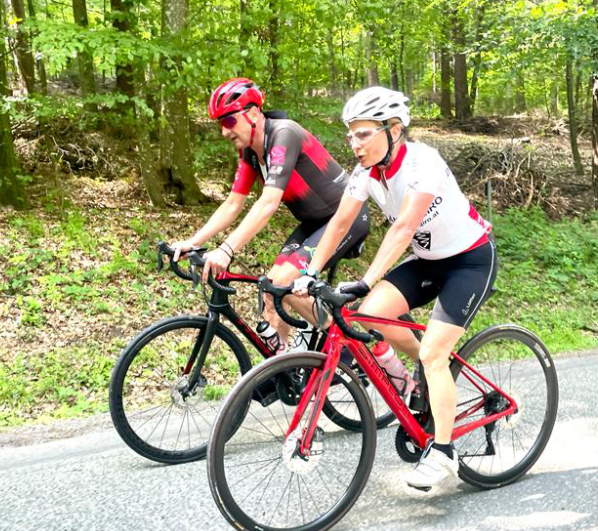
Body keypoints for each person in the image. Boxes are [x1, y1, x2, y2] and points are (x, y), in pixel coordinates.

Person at [292, 86, 497, 492]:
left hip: (470, 260)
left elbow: (403, 227)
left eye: (363, 134)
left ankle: (443, 452)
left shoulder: (424, 162)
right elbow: (338, 224)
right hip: (428, 262)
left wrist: (367, 278)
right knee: (373, 315)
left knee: (435, 355)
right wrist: (309, 272)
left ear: (394, 129)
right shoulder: (366, 173)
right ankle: (424, 376)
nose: (354, 143)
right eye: (350, 134)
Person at [171, 77, 369, 350]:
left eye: (228, 121)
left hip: (346, 219)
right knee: (271, 291)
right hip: (314, 223)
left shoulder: (283, 135)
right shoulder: (251, 153)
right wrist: (193, 242)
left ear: (252, 114)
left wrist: (227, 250)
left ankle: (346, 351)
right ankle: (284, 370)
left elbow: (268, 203)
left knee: (283, 282)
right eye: (220, 125)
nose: (224, 132)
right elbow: (232, 204)